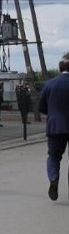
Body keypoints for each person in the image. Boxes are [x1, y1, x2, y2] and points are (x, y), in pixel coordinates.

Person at [39, 53, 69, 201]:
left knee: (53, 157)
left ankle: (53, 178)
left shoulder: (49, 84)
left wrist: (52, 114)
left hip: (55, 126)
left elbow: (41, 106)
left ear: (59, 69)